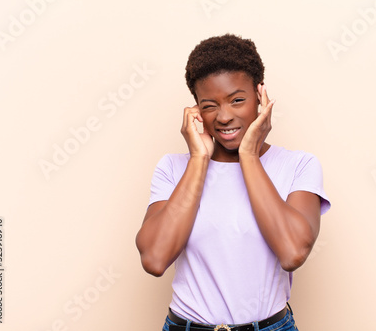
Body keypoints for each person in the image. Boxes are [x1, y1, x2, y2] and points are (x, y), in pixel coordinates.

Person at [135, 34, 331, 331]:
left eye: (237, 100)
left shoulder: (298, 166)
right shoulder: (173, 168)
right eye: (210, 105)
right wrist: (198, 159)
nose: (224, 116)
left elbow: (292, 252)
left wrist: (249, 153)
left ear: (260, 95)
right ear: (196, 110)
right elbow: (155, 259)